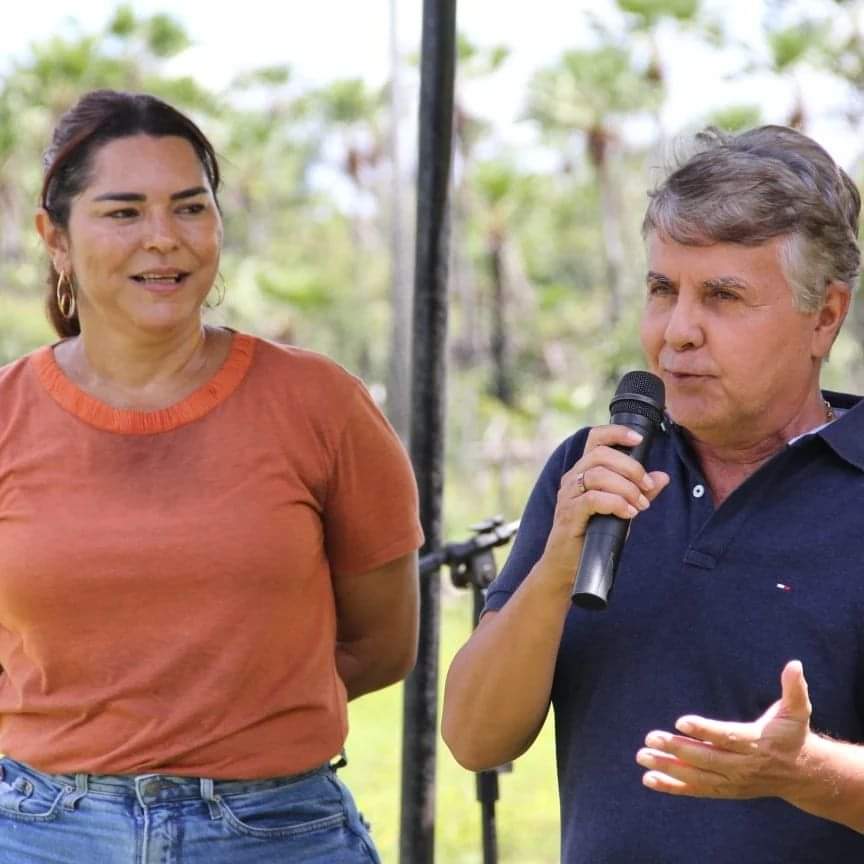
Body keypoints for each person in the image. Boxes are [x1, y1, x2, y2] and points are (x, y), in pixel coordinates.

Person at [0, 89, 423, 864]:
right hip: (40, 833)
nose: (164, 239)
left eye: (190, 208)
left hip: (278, 833)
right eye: (124, 212)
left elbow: (383, 642)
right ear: (54, 238)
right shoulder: (6, 414)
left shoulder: (319, 402)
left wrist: (238, 734)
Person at [442, 124, 864, 863]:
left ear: (824, 316)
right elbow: (476, 738)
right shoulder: (594, 467)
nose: (677, 331)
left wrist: (805, 772)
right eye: (663, 289)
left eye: (723, 297)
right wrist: (556, 570)